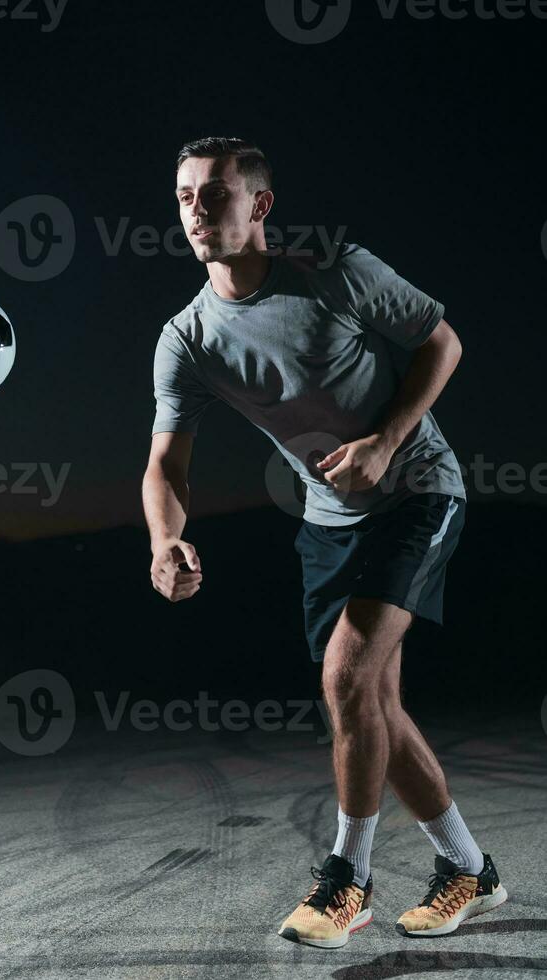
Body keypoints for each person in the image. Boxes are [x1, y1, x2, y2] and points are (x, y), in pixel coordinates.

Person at [142, 136, 507, 949]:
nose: (197, 211)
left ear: (260, 206)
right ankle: (470, 871)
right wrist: (167, 539)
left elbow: (442, 343)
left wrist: (383, 440)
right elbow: (165, 465)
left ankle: (347, 880)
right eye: (184, 196)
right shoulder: (187, 338)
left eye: (216, 194)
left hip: (417, 489)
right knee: (370, 699)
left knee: (346, 677)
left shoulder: (336, 273)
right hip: (328, 520)